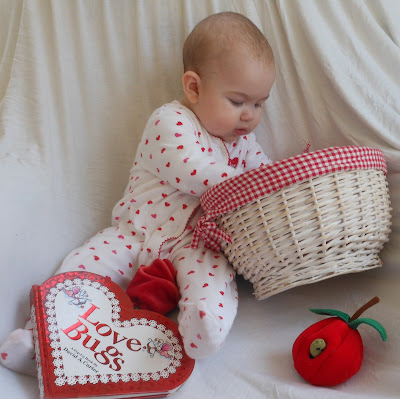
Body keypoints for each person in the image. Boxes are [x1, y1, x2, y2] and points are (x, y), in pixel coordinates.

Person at [0, 11, 275, 376]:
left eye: (259, 104)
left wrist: (281, 183)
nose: (249, 117)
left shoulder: (244, 144)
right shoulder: (171, 121)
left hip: (194, 244)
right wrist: (250, 184)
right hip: (136, 233)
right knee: (87, 268)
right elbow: (195, 172)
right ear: (194, 88)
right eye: (238, 102)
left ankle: (199, 327)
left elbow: (269, 178)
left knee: (213, 278)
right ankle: (39, 340)